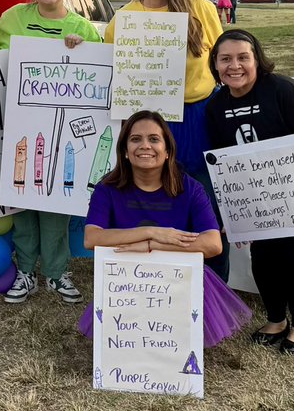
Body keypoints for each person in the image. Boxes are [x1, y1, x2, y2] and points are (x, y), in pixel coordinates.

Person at [204, 29, 294, 355]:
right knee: (262, 259)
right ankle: (276, 319)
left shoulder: (283, 91)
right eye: (225, 59)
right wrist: (233, 215)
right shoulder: (215, 107)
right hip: (259, 199)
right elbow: (224, 165)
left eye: (242, 58)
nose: (234, 66)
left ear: (257, 60)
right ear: (215, 65)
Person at [103, 0, 228, 278]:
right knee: (157, 201)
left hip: (198, 115)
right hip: (151, 126)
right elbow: (109, 70)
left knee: (204, 200)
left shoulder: (197, 6)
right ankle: (156, 279)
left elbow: (222, 57)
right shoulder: (124, 19)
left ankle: (214, 281)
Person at [80, 111, 250, 347]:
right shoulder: (107, 188)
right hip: (126, 280)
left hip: (178, 280)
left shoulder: (191, 188)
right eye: (135, 139)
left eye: (154, 139)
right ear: (125, 151)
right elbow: (91, 238)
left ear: (168, 150)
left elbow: (213, 244)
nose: (145, 146)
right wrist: (151, 232)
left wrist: (153, 246)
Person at [0, 0, 101, 304]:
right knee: (22, 198)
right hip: (21, 125)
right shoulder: (13, 18)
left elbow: (97, 79)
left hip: (66, 131)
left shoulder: (83, 28)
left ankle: (56, 272)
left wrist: (80, 52)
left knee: (57, 199)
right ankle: (26, 272)